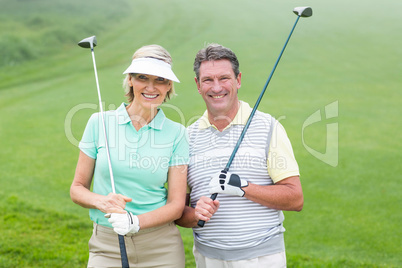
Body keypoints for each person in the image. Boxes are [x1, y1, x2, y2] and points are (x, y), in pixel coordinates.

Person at [175, 43, 303, 268]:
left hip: (261, 259)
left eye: (224, 78)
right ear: (197, 85)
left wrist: (244, 187)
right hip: (207, 259)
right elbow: (178, 212)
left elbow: (295, 198)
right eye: (207, 80)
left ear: (238, 80)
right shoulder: (186, 137)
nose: (216, 88)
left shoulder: (269, 127)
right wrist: (195, 214)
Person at [70, 44, 189, 268]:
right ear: (130, 80)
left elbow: (176, 204)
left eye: (160, 79)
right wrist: (102, 201)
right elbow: (77, 188)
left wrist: (135, 222)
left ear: (169, 86)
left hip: (161, 248)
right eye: (143, 77)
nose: (151, 87)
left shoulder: (177, 133)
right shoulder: (99, 123)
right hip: (106, 246)